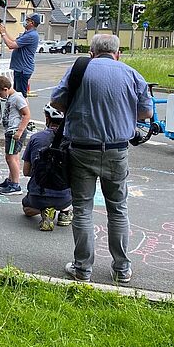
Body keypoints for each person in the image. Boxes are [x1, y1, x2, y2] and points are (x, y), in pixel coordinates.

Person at [51, 34, 152, 284]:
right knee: (118, 208)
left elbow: (56, 101)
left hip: (82, 148)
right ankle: (121, 269)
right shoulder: (132, 74)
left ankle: (82, 268)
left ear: (92, 53)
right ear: (118, 53)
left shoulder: (79, 70)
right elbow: (146, 112)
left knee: (83, 209)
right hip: (117, 150)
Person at [21, 104, 73, 231]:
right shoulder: (72, 140)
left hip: (38, 195)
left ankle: (45, 209)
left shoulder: (35, 138)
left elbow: (26, 172)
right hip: (64, 197)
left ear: (47, 119)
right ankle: (65, 212)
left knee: (26, 207)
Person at [0, 74, 31, 196]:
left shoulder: (17, 98)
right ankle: (11, 180)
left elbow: (26, 114)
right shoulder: (11, 97)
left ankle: (15, 184)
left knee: (10, 158)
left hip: (15, 131)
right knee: (14, 157)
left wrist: (19, 131)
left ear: (5, 89)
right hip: (11, 131)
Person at [0, 13, 41, 97]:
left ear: (31, 23)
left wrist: (3, 34)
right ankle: (20, 110)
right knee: (18, 94)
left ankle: (24, 110)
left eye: (27, 20)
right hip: (20, 68)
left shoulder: (31, 35)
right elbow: (14, 41)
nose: (25, 22)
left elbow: (11, 45)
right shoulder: (27, 34)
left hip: (23, 69)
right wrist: (4, 31)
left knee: (21, 96)